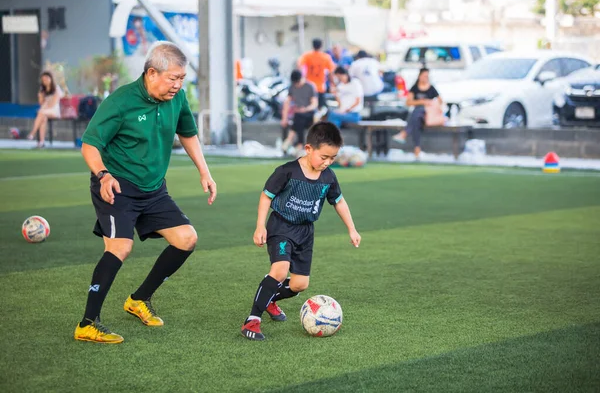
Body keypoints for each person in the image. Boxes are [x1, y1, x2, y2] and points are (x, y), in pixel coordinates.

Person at [74, 41, 217, 344]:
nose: (178, 86)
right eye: (172, 78)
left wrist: (204, 171)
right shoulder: (121, 101)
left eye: (181, 79)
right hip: (116, 187)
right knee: (120, 248)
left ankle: (139, 299)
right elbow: (90, 144)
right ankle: (87, 323)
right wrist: (103, 175)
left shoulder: (175, 100)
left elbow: (188, 133)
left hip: (153, 188)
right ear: (152, 73)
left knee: (187, 238)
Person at [241, 121, 361, 341]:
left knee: (299, 284)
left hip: (306, 232)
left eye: (332, 158)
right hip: (281, 226)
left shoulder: (329, 177)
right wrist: (260, 226)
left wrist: (352, 229)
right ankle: (252, 320)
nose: (327, 163)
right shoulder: (287, 171)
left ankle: (269, 300)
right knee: (279, 270)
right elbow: (266, 196)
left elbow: (339, 202)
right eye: (323, 157)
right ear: (308, 149)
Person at [392, 67, 443, 159]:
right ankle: (417, 149)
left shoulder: (431, 88)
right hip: (417, 116)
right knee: (416, 119)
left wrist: (430, 104)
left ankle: (405, 133)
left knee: (418, 111)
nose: (426, 78)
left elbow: (440, 101)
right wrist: (422, 101)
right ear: (419, 76)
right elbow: (408, 102)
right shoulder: (415, 88)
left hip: (428, 115)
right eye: (424, 76)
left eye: (427, 76)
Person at [280, 70, 318, 154]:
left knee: (298, 117)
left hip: (309, 113)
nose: (297, 85)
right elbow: (287, 103)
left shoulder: (310, 86)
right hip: (299, 115)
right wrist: (284, 118)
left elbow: (314, 104)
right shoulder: (292, 87)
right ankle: (299, 144)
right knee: (298, 117)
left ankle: (291, 142)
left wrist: (305, 109)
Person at [28, 71, 63, 148]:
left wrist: (44, 107)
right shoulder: (42, 90)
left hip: (54, 110)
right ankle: (42, 142)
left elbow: (53, 104)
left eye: (47, 78)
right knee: (43, 118)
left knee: (41, 113)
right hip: (45, 111)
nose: (45, 81)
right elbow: (41, 103)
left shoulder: (56, 89)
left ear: (51, 78)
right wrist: (41, 96)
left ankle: (32, 133)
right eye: (43, 80)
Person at [297, 38, 336, 109]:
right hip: (320, 87)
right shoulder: (326, 57)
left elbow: (299, 65)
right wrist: (332, 84)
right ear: (321, 46)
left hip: (309, 86)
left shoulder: (307, 55)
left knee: (309, 107)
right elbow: (331, 72)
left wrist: (301, 78)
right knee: (320, 108)